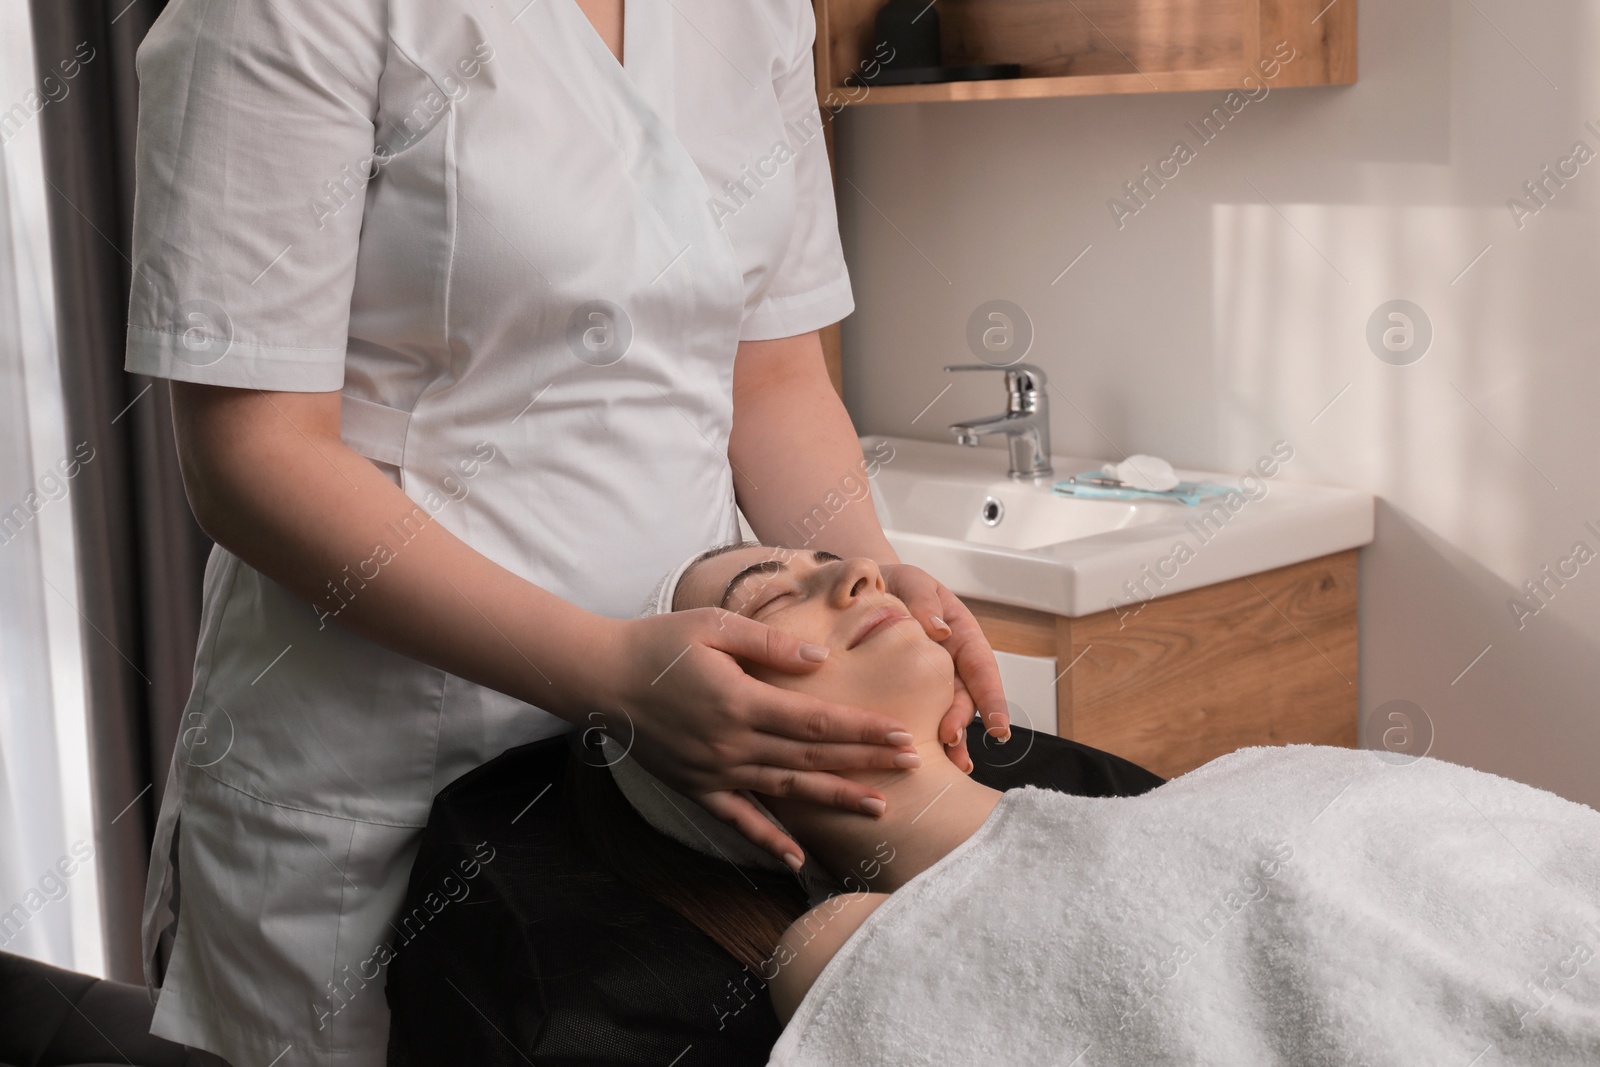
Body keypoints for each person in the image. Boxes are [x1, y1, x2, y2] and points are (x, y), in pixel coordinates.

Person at [121, 3, 1009, 1064]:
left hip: (673, 794)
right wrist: (609, 674)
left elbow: (771, 376)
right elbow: (253, 458)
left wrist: (881, 575)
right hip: (379, 771)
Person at [572, 541, 1600, 1065]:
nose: (853, 568)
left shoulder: (1249, 772)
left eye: (826, 555)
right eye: (764, 596)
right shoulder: (837, 936)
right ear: (698, 751)